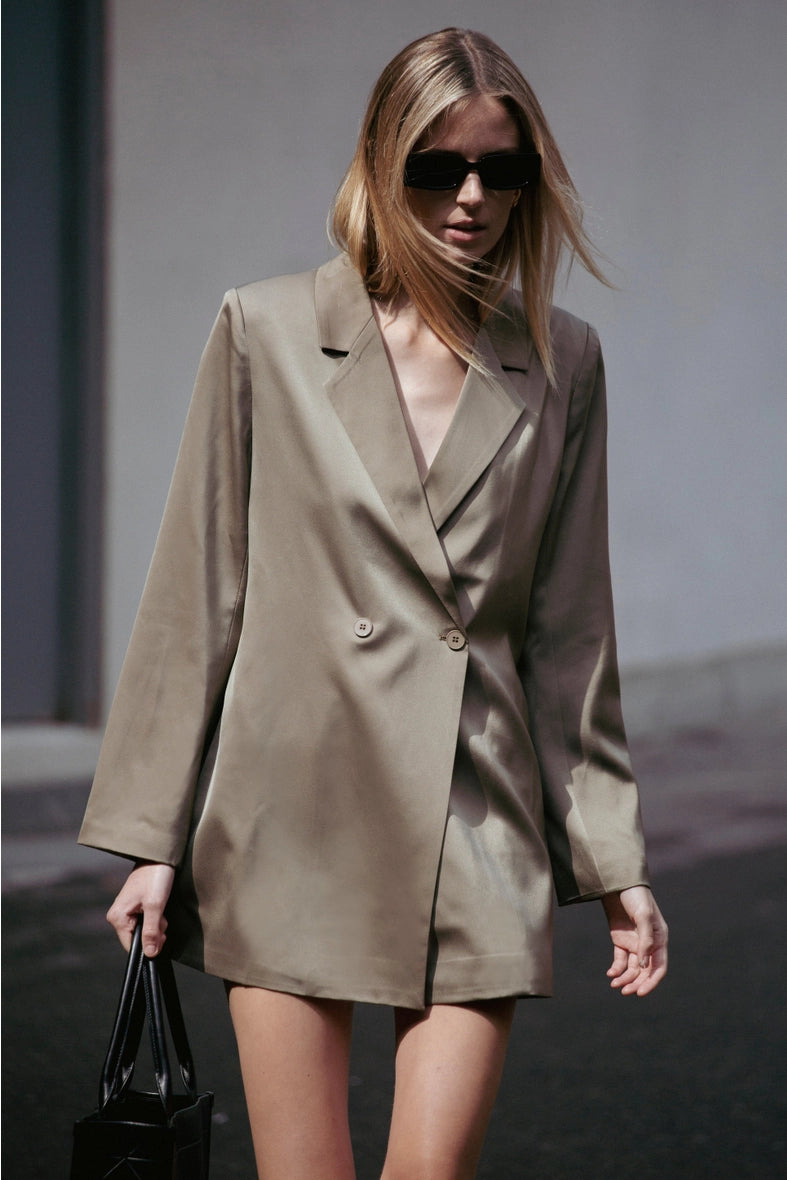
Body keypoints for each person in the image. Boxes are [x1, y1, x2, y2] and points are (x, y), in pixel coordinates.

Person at [80, 27, 668, 1179]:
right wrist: (150, 837)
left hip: (477, 807)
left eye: (500, 171)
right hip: (292, 807)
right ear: (377, 163)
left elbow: (568, 634)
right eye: (436, 167)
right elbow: (197, 591)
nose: (469, 198)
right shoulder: (267, 331)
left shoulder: (561, 360)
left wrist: (614, 862)